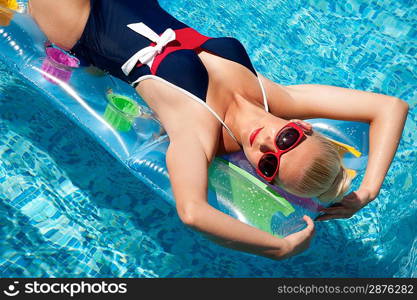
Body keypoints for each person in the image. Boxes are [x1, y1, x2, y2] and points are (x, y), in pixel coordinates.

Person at [26, 0, 408, 260]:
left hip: (80, 20)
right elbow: (391, 106)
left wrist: (279, 248)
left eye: (270, 166)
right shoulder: (275, 96)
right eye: (285, 140)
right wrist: (368, 191)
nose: (265, 147)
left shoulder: (198, 131)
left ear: (261, 175)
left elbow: (193, 211)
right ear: (301, 127)